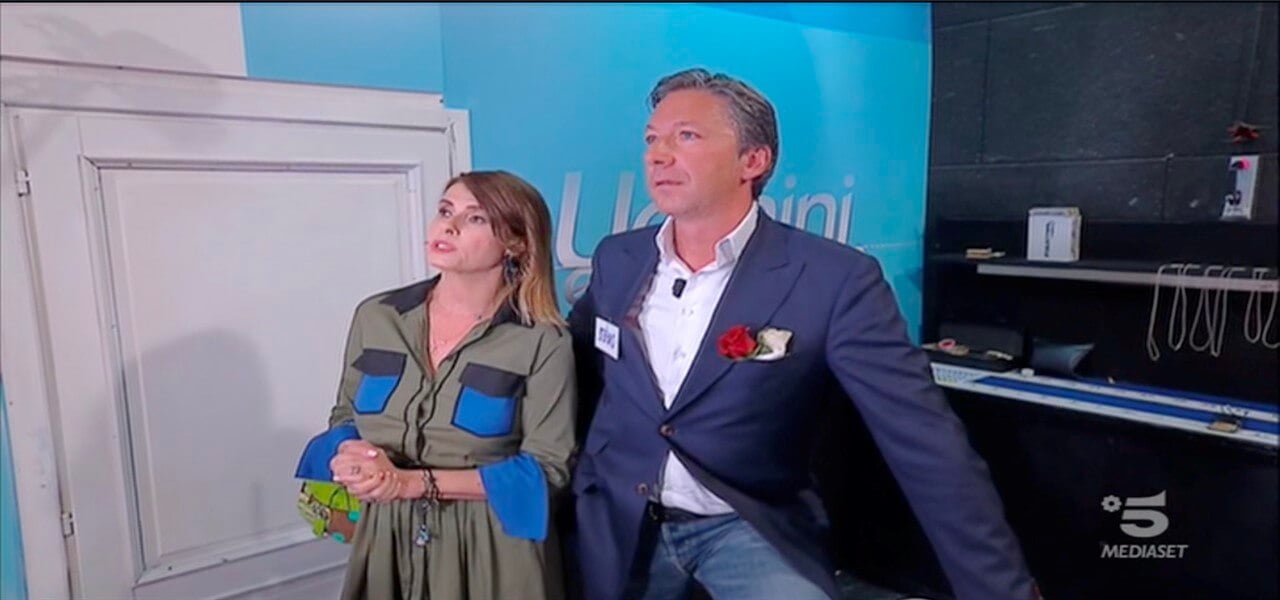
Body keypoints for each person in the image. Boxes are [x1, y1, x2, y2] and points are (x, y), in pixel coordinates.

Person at [568, 68, 1040, 599]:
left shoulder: (833, 279)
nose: (658, 155)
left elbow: (925, 441)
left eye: (687, 136)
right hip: (619, 517)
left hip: (747, 523)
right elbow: (572, 371)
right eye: (652, 139)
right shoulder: (618, 259)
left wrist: (1001, 590)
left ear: (753, 160)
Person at [304, 170, 576, 599]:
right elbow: (345, 417)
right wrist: (351, 457)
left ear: (516, 243)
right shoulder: (377, 316)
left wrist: (412, 483)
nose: (449, 226)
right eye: (446, 211)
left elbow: (547, 470)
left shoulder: (543, 341)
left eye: (475, 218)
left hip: (493, 550)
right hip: (387, 539)